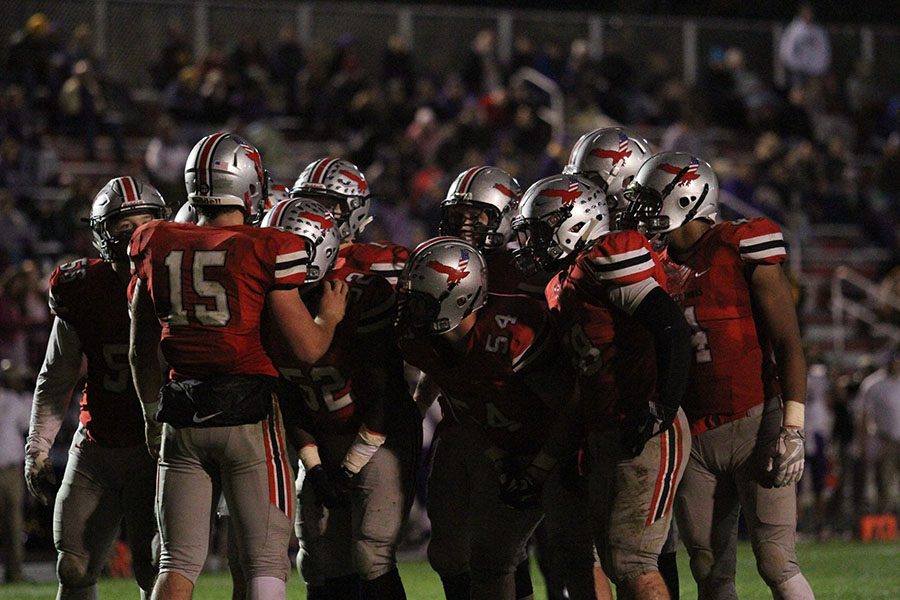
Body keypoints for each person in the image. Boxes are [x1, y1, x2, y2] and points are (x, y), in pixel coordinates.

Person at [128, 132, 349, 600]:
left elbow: (141, 350)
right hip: (247, 413)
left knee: (177, 563)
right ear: (249, 185)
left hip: (180, 412)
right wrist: (328, 317)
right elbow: (307, 348)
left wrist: (151, 415)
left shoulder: (155, 239)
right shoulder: (266, 245)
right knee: (267, 562)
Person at [620, 150, 815, 599]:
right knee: (708, 569)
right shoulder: (651, 263)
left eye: (652, 200)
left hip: (755, 419)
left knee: (776, 562)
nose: (643, 212)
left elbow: (788, 342)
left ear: (687, 198)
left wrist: (793, 427)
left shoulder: (741, 244)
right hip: (692, 433)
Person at [516, 174, 692, 600]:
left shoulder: (607, 255)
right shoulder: (561, 283)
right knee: (612, 560)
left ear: (576, 221)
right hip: (606, 424)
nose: (533, 243)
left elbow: (670, 327)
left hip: (642, 418)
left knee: (631, 560)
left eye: (541, 230)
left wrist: (662, 406)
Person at [398, 237, 576, 600]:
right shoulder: (425, 340)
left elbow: (570, 405)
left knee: (575, 558)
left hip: (557, 449)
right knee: (483, 559)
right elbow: (466, 404)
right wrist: (498, 461)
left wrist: (540, 467)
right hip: (499, 446)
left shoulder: (513, 329)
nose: (411, 308)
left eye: (422, 298)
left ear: (460, 297)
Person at [264, 197, 418, 599]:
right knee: (318, 556)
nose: (275, 256)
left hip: (378, 436)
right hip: (320, 434)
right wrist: (314, 466)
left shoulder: (361, 295)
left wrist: (350, 465)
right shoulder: (270, 306)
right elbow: (288, 396)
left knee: (371, 553)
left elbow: (383, 391)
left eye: (287, 247)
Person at [25, 177, 169, 599]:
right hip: (97, 444)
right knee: (72, 564)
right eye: (126, 229)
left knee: (152, 568)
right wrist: (38, 445)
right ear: (104, 237)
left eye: (147, 225)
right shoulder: (83, 288)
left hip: (155, 448)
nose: (139, 237)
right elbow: (57, 375)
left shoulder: (175, 282)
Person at [292, 157, 409, 286]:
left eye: (327, 205)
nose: (313, 214)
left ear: (355, 208)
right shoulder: (286, 254)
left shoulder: (374, 260)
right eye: (306, 205)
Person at [0, 365, 31, 584]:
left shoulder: (16, 401)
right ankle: (14, 573)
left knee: (13, 524)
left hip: (10, 469)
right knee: (12, 524)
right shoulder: (17, 401)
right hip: (9, 470)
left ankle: (15, 573)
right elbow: (29, 424)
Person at [859, 352, 900, 515]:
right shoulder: (873, 384)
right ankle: (885, 521)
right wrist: (862, 443)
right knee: (884, 482)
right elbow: (862, 415)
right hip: (885, 440)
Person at [778, 3, 831, 89]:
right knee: (798, 92)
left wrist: (820, 68)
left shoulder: (819, 31)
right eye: (806, 13)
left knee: (815, 91)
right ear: (801, 14)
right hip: (797, 69)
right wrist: (793, 65)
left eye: (810, 13)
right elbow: (786, 49)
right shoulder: (794, 30)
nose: (808, 15)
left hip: (814, 71)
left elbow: (824, 51)